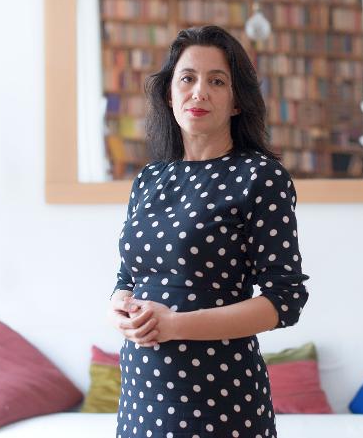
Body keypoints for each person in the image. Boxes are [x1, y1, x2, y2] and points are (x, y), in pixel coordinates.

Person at [107, 25, 310, 438]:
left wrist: (175, 325)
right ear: (169, 94)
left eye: (216, 81)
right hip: (141, 396)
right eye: (187, 78)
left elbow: (284, 301)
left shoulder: (260, 177)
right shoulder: (149, 179)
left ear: (236, 102)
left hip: (220, 398)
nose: (199, 92)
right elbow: (128, 278)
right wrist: (118, 308)